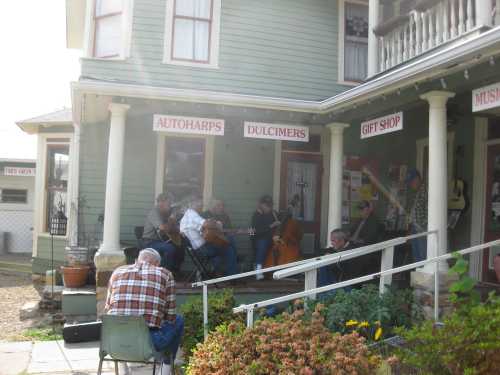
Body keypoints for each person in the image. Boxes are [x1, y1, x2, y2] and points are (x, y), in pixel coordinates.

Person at [105, 248, 184, 375]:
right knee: (178, 319)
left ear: (137, 260)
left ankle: (123, 368)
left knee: (119, 319)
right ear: (157, 264)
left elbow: (108, 308)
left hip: (113, 343)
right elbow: (170, 316)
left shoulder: (117, 272)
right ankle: (165, 370)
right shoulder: (165, 274)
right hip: (147, 346)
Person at [180, 197, 238, 276]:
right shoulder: (191, 214)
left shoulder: (187, 217)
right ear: (193, 204)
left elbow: (203, 229)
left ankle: (231, 275)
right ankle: (232, 276)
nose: (201, 206)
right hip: (202, 250)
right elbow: (206, 224)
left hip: (200, 248)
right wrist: (217, 224)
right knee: (229, 246)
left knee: (228, 245)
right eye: (200, 204)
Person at [142, 193, 184, 272]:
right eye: (169, 203)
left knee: (180, 247)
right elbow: (163, 228)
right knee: (170, 249)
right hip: (150, 242)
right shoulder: (154, 212)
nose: (170, 205)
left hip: (161, 241)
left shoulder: (165, 213)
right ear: (161, 202)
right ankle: (162, 272)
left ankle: (175, 271)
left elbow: (172, 228)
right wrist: (171, 218)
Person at [251, 195, 281, 280]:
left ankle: (280, 269)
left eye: (270, 205)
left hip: (272, 238)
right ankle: (258, 270)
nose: (269, 207)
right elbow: (256, 230)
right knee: (262, 244)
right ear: (261, 205)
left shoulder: (274, 213)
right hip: (259, 239)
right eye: (267, 205)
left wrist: (277, 233)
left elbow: (279, 224)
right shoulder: (257, 215)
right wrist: (271, 225)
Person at [406, 168, 428, 262]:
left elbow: (429, 211)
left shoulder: (425, 191)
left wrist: (423, 227)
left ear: (418, 179)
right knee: (417, 258)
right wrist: (410, 229)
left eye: (412, 181)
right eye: (410, 183)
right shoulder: (417, 193)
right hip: (415, 229)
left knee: (422, 257)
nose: (411, 185)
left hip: (422, 230)